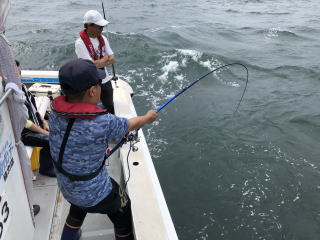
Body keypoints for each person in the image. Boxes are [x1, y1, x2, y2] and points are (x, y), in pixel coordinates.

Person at [48, 59, 158, 240]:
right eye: (99, 84)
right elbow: (130, 124)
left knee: (78, 206)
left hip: (67, 187)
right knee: (123, 209)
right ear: (93, 91)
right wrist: (147, 117)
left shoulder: (55, 114)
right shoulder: (103, 123)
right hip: (95, 193)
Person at [16, 60, 56, 178]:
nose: (19, 76)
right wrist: (44, 131)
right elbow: (25, 123)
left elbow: (33, 109)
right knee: (51, 140)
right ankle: (46, 169)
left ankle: (57, 160)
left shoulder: (23, 88)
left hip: (37, 124)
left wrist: (44, 122)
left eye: (20, 73)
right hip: (26, 133)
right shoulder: (14, 95)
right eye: (16, 73)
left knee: (60, 129)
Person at [75, 9, 115, 114]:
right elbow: (90, 66)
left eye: (102, 26)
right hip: (90, 80)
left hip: (104, 78)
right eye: (99, 26)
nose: (102, 29)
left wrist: (99, 62)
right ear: (89, 25)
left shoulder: (103, 38)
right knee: (90, 108)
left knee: (110, 105)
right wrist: (105, 59)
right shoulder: (80, 43)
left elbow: (112, 59)